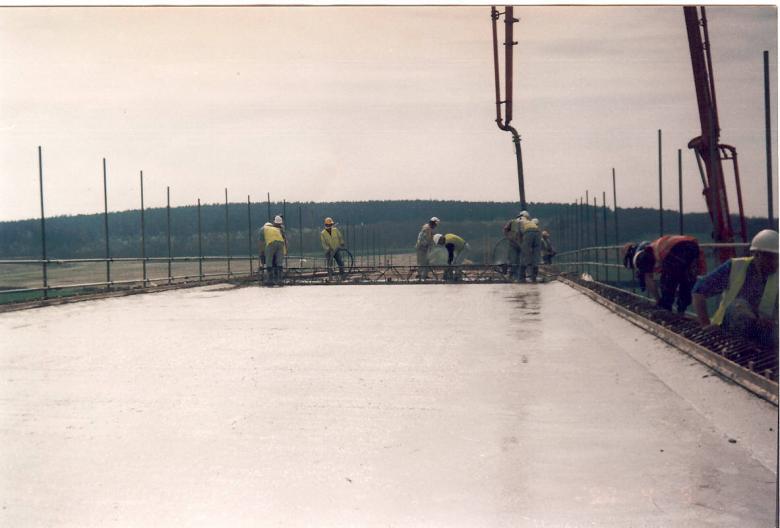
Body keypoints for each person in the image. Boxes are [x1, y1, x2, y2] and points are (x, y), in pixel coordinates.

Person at [692, 229, 778, 348]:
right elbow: (699, 292)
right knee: (739, 306)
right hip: (727, 329)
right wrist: (706, 326)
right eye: (771, 258)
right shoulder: (735, 267)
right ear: (756, 254)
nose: (775, 263)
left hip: (759, 332)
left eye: (778, 258)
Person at [623, 235, 707, 314]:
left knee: (669, 282)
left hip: (676, 249)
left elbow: (648, 278)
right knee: (686, 279)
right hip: (692, 246)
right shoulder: (653, 248)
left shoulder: (642, 256)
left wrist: (658, 300)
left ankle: (665, 309)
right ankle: (681, 311)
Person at [258, 216, 286, 286]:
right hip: (281, 244)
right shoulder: (277, 228)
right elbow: (284, 237)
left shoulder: (263, 229)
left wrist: (261, 252)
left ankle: (270, 280)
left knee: (269, 261)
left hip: (271, 243)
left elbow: (261, 242)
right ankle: (280, 280)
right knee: (279, 263)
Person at [503, 210, 528, 281]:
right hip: (517, 244)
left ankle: (515, 276)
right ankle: (515, 277)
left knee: (515, 261)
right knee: (516, 261)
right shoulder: (514, 222)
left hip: (516, 244)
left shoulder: (513, 222)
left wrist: (508, 237)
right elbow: (505, 229)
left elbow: (505, 230)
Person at [518, 214, 541, 282]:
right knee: (536, 255)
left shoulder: (520, 220)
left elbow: (520, 235)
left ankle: (521, 278)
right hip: (537, 233)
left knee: (524, 255)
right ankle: (534, 277)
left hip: (528, 233)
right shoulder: (532, 222)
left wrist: (521, 245)